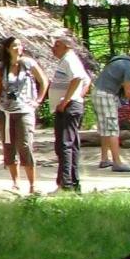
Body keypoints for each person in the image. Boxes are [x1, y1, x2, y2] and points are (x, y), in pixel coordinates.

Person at [0, 36, 49, 196]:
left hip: (24, 110)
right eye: (14, 45)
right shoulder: (1, 68)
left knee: (24, 145)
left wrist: (37, 101)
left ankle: (32, 184)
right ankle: (15, 183)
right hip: (5, 111)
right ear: (7, 49)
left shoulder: (29, 64)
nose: (18, 48)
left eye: (19, 45)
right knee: (8, 146)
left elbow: (43, 81)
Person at [47, 29, 91, 192]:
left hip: (68, 107)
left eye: (57, 45)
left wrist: (67, 100)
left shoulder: (69, 59)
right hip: (70, 105)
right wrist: (77, 95)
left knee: (65, 144)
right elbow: (87, 80)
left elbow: (78, 78)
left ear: (65, 46)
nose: (53, 48)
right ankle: (71, 182)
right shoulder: (67, 60)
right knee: (68, 144)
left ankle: (66, 184)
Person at [92, 47, 130, 172]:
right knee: (112, 128)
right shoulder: (129, 67)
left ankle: (104, 159)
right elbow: (129, 93)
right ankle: (117, 162)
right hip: (106, 94)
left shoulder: (119, 60)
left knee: (105, 128)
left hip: (98, 92)